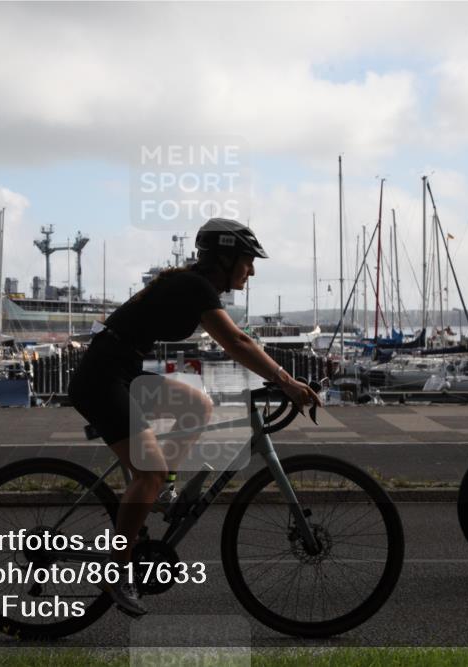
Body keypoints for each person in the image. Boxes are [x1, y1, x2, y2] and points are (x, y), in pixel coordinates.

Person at [67, 218, 322, 617]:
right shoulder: (195, 287)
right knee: (147, 472)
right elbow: (236, 341)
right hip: (101, 378)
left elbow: (236, 342)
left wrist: (277, 379)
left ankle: (163, 485)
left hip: (121, 370)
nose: (251, 270)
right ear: (224, 258)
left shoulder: (194, 285)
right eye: (248, 261)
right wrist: (286, 381)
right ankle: (117, 571)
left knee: (197, 405)